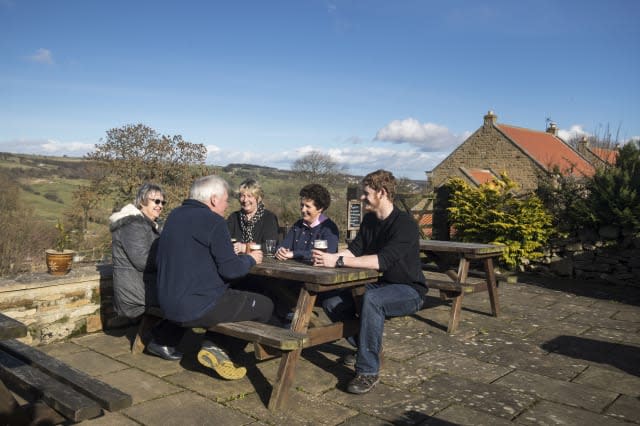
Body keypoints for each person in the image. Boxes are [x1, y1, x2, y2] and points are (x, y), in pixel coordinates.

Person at [311, 170, 427, 395]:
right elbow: (355, 251)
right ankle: (367, 347)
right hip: (380, 286)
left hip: (409, 290)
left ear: (382, 193)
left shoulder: (405, 224)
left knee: (371, 300)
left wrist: (338, 260)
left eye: (366, 193)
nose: (362, 198)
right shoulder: (370, 220)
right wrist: (327, 256)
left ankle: (368, 371)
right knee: (331, 300)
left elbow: (381, 261)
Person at [155, 175, 274, 380]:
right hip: (197, 305)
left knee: (233, 294)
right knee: (265, 305)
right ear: (213, 199)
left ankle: (162, 337)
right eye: (226, 200)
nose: (228, 205)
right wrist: (251, 259)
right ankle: (217, 347)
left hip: (166, 301)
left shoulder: (174, 215)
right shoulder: (214, 221)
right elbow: (231, 270)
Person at [109, 183, 184, 361]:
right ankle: (161, 341)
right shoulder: (132, 225)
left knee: (189, 291)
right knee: (188, 297)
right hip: (136, 291)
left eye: (163, 202)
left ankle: (162, 337)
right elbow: (144, 261)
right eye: (156, 201)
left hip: (145, 284)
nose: (160, 205)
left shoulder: (147, 224)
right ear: (142, 201)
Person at [275, 183, 339, 262]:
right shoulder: (298, 225)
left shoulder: (329, 228)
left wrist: (294, 254)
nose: (303, 210)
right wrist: (280, 251)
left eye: (308, 206)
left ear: (320, 208)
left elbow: (328, 254)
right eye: (302, 205)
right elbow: (283, 245)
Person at [226, 179, 279, 254]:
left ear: (258, 198)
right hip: (236, 261)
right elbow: (224, 240)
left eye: (249, 196)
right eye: (242, 196)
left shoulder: (269, 218)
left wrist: (246, 248)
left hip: (263, 263)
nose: (245, 200)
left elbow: (271, 246)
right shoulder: (233, 217)